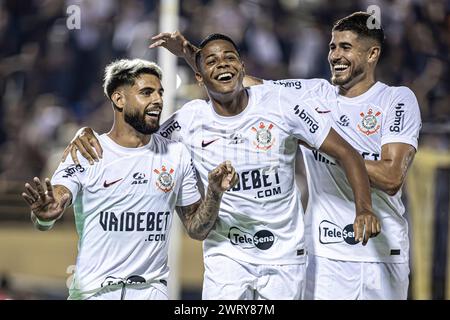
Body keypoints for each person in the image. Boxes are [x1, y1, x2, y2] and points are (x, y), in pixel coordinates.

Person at [62, 34, 380, 300]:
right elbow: (136, 140)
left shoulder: (280, 104)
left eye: (230, 58)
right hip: (226, 250)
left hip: (283, 252)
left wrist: (364, 207)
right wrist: (86, 134)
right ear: (199, 78)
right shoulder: (189, 120)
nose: (222, 64)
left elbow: (347, 153)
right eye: (212, 62)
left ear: (242, 67)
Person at [158, 12, 420, 300]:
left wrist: (323, 146)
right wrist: (189, 52)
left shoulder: (397, 100)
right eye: (332, 47)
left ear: (372, 54)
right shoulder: (312, 94)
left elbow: (392, 177)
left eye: (346, 47)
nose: (335, 55)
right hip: (325, 253)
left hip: (383, 250)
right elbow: (238, 82)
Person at [21, 58, 237, 300]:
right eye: (147, 92)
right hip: (94, 294)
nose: (158, 100)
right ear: (118, 99)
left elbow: (197, 230)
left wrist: (215, 193)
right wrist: (44, 217)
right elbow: (55, 202)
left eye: (160, 92)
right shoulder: (86, 151)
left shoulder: (176, 154)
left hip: (151, 292)